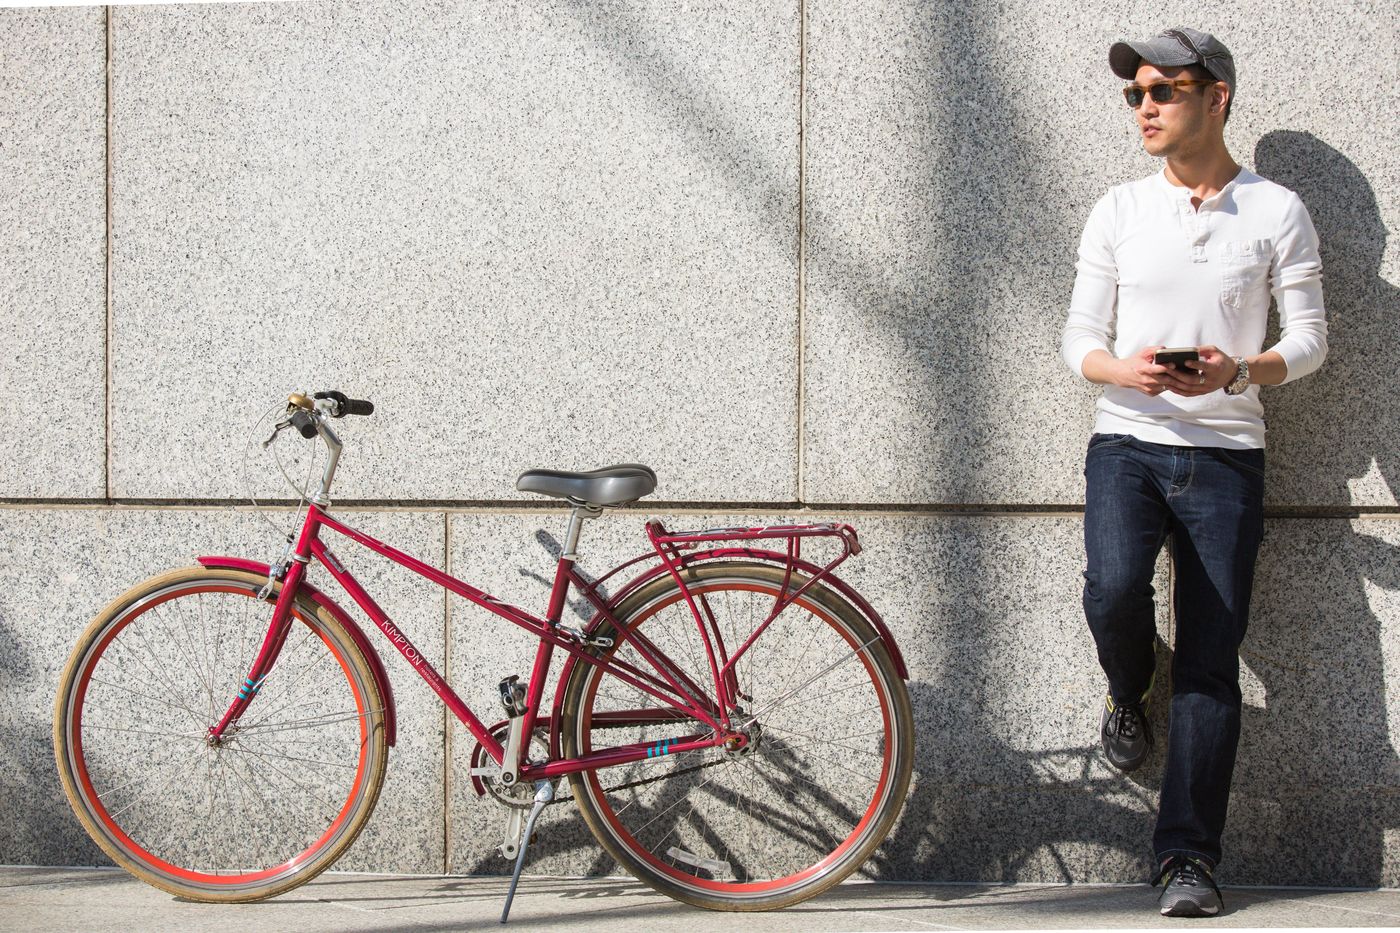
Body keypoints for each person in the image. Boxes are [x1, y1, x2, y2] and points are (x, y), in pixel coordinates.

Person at [1060, 27, 1328, 918]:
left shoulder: (1277, 211)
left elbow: (1310, 342)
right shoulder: (1118, 210)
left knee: (1213, 666)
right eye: (1136, 93)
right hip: (1126, 442)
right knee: (1111, 589)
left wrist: (1240, 371)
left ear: (1217, 98)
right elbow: (1080, 341)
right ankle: (1130, 685)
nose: (1144, 107)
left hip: (1226, 456)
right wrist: (1123, 370)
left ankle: (1186, 861)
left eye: (1164, 90)